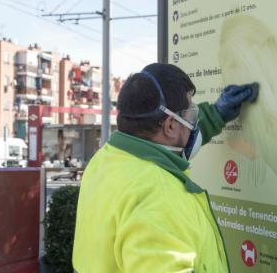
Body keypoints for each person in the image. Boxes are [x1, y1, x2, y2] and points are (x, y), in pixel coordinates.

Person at [72, 63, 258, 272]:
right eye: (190, 115)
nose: (193, 123)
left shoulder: (107, 160)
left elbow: (178, 143)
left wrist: (216, 114)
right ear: (170, 125)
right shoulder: (158, 195)